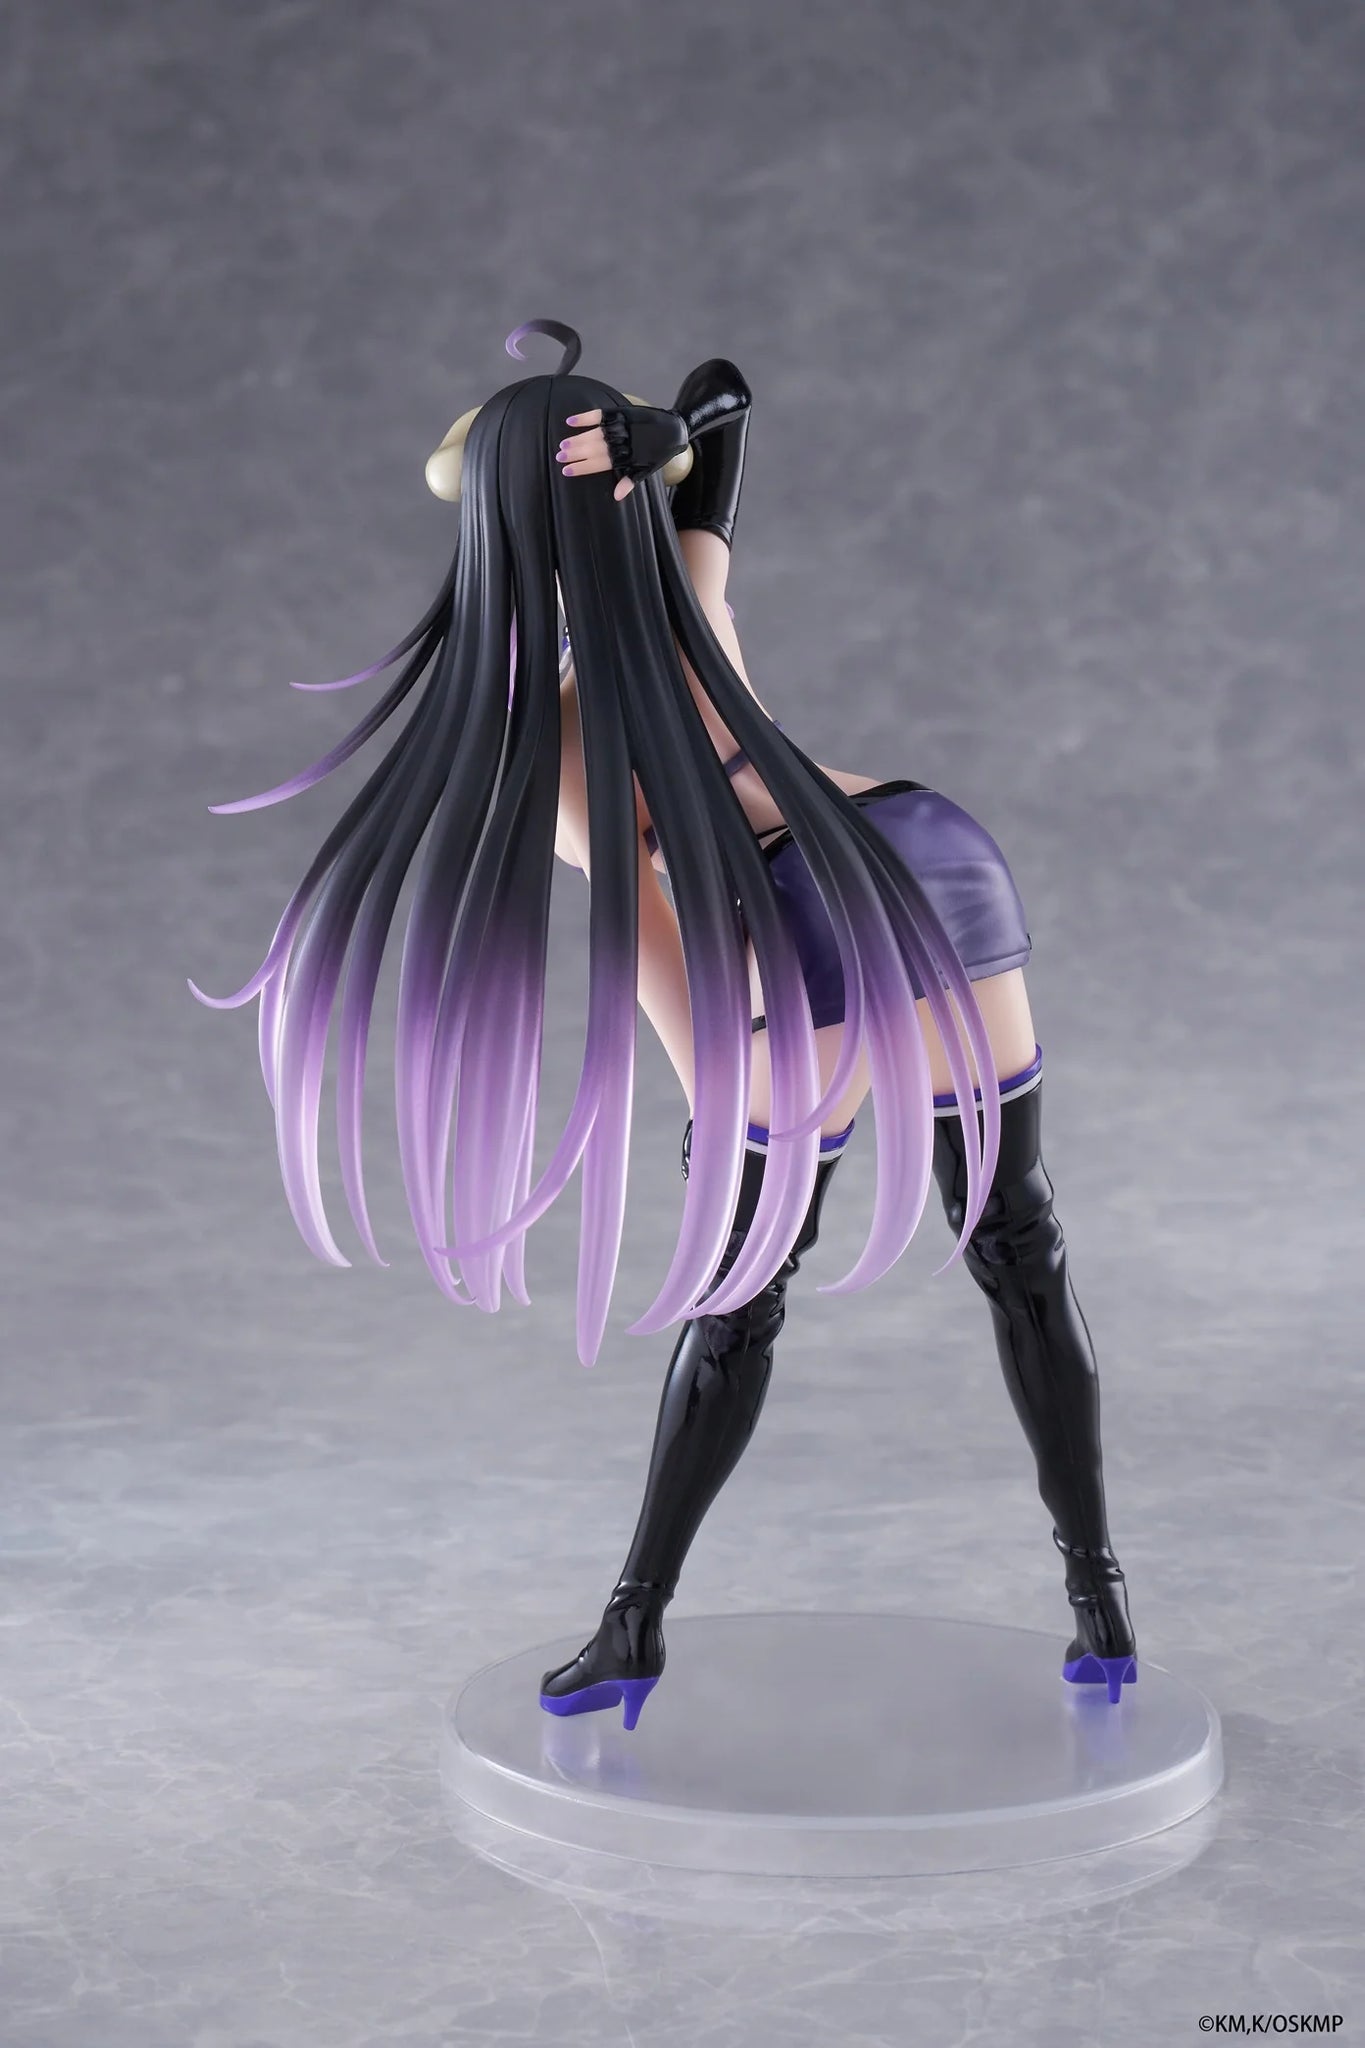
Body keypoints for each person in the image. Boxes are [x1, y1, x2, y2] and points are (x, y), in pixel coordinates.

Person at [190, 320, 1138, 1734]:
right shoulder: (689, 604)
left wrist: (727, 1131)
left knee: (741, 1293)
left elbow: (656, 963)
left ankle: (633, 1627)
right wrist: (672, 442)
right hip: (933, 845)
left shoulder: (560, 738)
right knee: (1017, 1240)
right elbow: (724, 405)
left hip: (818, 903)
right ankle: (1100, 1604)